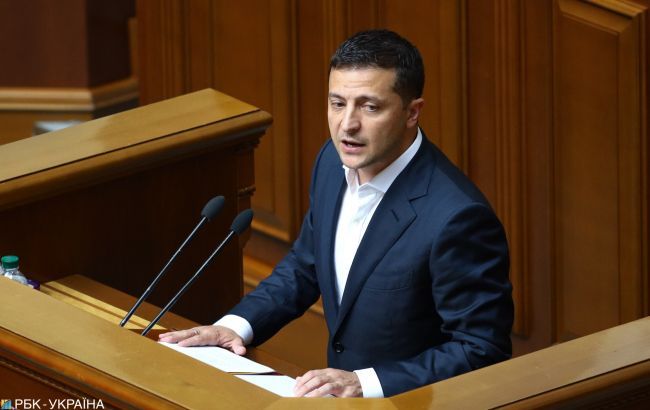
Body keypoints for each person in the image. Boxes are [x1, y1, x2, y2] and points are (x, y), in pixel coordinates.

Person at [159, 29, 514, 398]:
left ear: (412, 112)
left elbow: (480, 349)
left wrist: (365, 383)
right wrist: (237, 326)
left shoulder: (457, 218)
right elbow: (305, 265)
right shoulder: (332, 161)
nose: (347, 124)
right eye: (338, 103)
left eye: (369, 106)